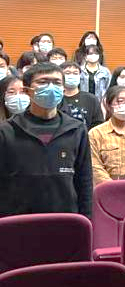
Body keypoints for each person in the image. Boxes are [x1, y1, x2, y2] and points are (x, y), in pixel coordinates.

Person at [0, 62, 93, 218]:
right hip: (18, 221)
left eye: (56, 83)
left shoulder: (77, 130)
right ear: (27, 90)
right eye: (43, 82)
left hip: (66, 219)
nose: (50, 87)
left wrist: (87, 220)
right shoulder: (6, 131)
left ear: (63, 90)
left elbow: (84, 181)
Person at [88, 85, 125, 185]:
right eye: (120, 101)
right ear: (109, 105)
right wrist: (113, 187)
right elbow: (95, 165)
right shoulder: (96, 133)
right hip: (106, 188)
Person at [58, 60, 105, 129]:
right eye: (67, 73)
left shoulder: (91, 99)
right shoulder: (55, 99)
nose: (72, 76)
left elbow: (98, 124)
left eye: (75, 73)